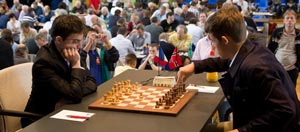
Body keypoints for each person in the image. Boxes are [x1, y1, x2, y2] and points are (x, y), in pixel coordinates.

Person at [177, 7, 300, 131]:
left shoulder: (256, 68)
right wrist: (194, 66)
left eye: (213, 41)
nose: (213, 46)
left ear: (225, 40)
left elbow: (285, 111)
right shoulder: (249, 49)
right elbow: (226, 61)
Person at [21, 15, 97, 127]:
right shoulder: (44, 62)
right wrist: (76, 65)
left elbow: (92, 82)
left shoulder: (72, 51)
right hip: (40, 120)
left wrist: (76, 91)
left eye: (80, 41)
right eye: (75, 41)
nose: (80, 46)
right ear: (59, 40)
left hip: (63, 113)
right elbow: (74, 94)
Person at [268, 9, 300, 87]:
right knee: (278, 91)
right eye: (287, 18)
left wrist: (297, 67)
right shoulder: (276, 32)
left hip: (292, 69)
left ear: (295, 21)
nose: (289, 20)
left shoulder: (299, 35)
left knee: (291, 92)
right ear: (284, 21)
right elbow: (269, 49)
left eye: (292, 18)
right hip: (277, 68)